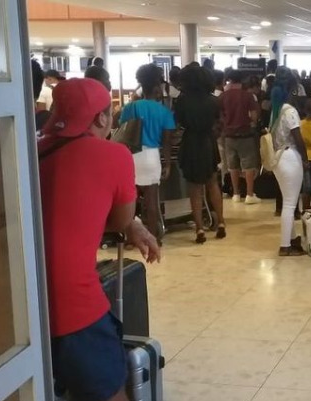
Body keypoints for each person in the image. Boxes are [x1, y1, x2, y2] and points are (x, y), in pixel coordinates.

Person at [38, 78, 161, 401]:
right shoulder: (114, 155)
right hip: (73, 307)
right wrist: (133, 224)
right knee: (107, 390)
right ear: (102, 117)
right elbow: (120, 220)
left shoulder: (31, 150)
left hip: (22, 306)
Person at [119, 64, 177, 241]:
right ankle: (153, 238)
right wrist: (167, 164)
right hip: (152, 156)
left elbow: (122, 130)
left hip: (131, 156)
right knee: (152, 202)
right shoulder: (164, 112)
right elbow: (166, 142)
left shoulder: (131, 107)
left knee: (130, 200)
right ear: (156, 87)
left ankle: (130, 238)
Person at [174, 65, 228, 243]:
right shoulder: (213, 100)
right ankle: (221, 222)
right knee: (213, 183)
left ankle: (199, 229)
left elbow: (178, 123)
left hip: (191, 142)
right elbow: (220, 122)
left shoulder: (182, 101)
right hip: (208, 142)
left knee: (194, 188)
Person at [269, 67, 310, 256]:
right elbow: (298, 137)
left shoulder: (276, 110)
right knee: (290, 205)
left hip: (278, 158)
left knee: (288, 201)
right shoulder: (290, 111)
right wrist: (306, 158)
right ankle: (285, 246)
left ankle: (292, 241)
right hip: (290, 157)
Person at [221, 69, 262, 204]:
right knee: (248, 164)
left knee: (232, 165)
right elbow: (254, 115)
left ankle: (236, 193)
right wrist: (252, 123)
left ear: (229, 80)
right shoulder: (247, 96)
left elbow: (219, 115)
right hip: (245, 134)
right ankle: (249, 194)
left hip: (228, 135)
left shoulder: (223, 96)